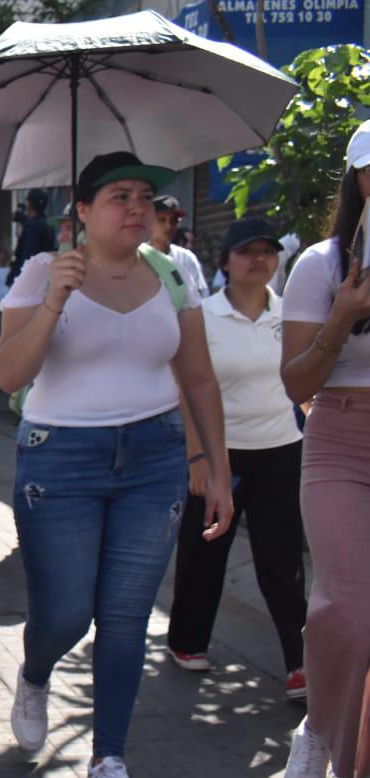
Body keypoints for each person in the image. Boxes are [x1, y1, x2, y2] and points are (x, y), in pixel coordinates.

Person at [0, 152, 234, 778]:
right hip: (60, 459)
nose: (136, 207)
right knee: (65, 614)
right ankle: (35, 673)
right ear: (83, 209)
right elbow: (9, 375)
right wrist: (54, 299)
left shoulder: (173, 273)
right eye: (119, 196)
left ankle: (109, 762)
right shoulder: (45, 271)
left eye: (144, 197)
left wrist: (216, 469)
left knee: (127, 617)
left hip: (154, 459)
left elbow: (199, 378)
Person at [166, 217, 306, 694]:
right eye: (247, 251)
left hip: (281, 448)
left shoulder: (291, 314)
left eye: (267, 251)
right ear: (226, 261)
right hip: (221, 452)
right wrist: (198, 456)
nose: (259, 260)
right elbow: (185, 387)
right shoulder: (202, 316)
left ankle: (299, 662)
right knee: (205, 550)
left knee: (282, 559)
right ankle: (188, 641)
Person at [277, 120, 370, 778]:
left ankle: (363, 767)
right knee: (347, 607)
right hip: (338, 435)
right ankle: (316, 729)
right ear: (357, 178)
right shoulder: (321, 264)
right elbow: (296, 382)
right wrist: (342, 317)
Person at [150, 195, 210, 303]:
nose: (168, 226)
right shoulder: (137, 256)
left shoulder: (186, 258)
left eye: (174, 220)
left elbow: (201, 297)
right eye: (162, 220)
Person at [9, 189, 55, 285]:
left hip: (29, 279)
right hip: (44, 274)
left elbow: (28, 255)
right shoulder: (48, 224)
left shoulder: (32, 226)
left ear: (29, 204)